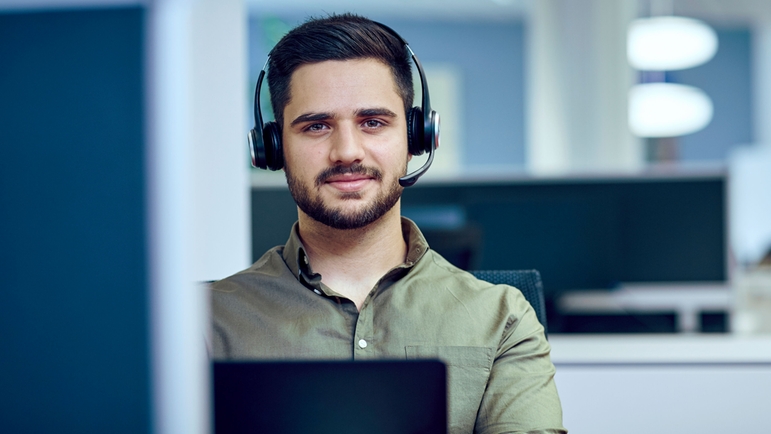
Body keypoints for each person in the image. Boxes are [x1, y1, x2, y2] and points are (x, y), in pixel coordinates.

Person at [210, 13, 566, 434]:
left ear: (418, 137)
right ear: (272, 148)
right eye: (317, 125)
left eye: (373, 122)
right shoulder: (205, 322)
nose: (346, 151)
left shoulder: (502, 317)